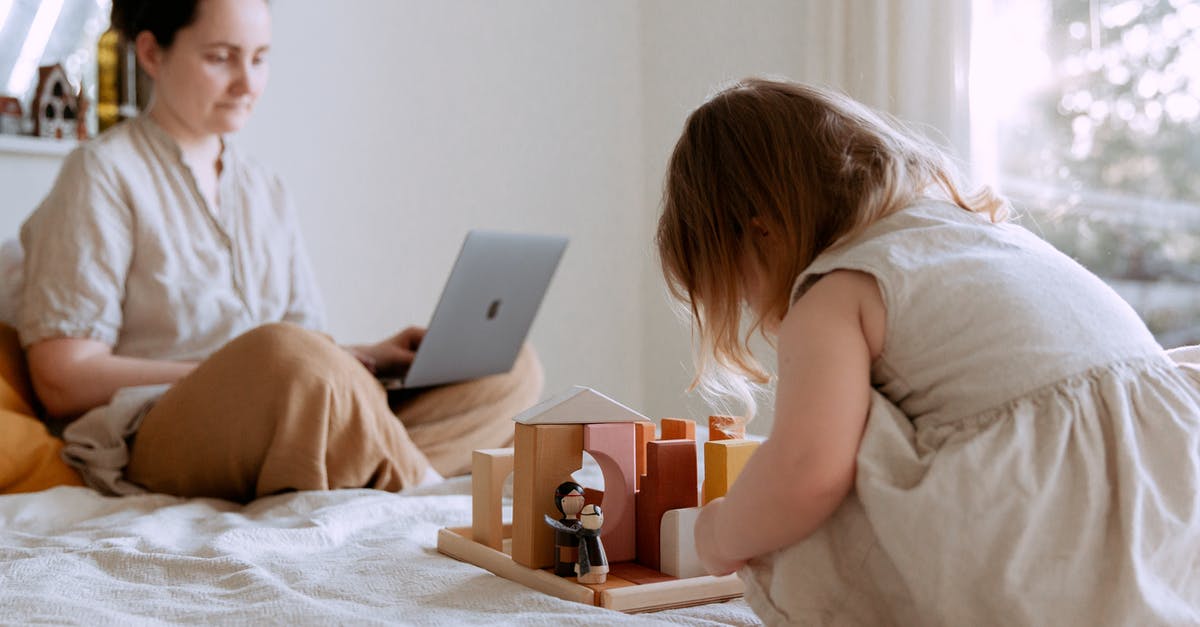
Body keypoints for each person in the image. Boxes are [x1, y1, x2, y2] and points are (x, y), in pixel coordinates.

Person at [656, 77, 1200, 625]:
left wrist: (721, 531)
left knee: (823, 492)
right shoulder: (988, 236)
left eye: (739, 290)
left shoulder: (836, 291)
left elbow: (806, 471)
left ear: (761, 234)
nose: (756, 310)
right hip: (1168, 504)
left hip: (1036, 530)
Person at [18, 0, 542, 502]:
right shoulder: (103, 173)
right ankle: (417, 488)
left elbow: (304, 352)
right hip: (158, 430)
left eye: (260, 59)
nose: (248, 84)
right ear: (153, 54)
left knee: (507, 366)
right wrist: (238, 368)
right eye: (221, 58)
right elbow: (63, 378)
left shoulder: (263, 189)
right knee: (285, 355)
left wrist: (368, 356)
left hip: (282, 408)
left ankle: (367, 467)